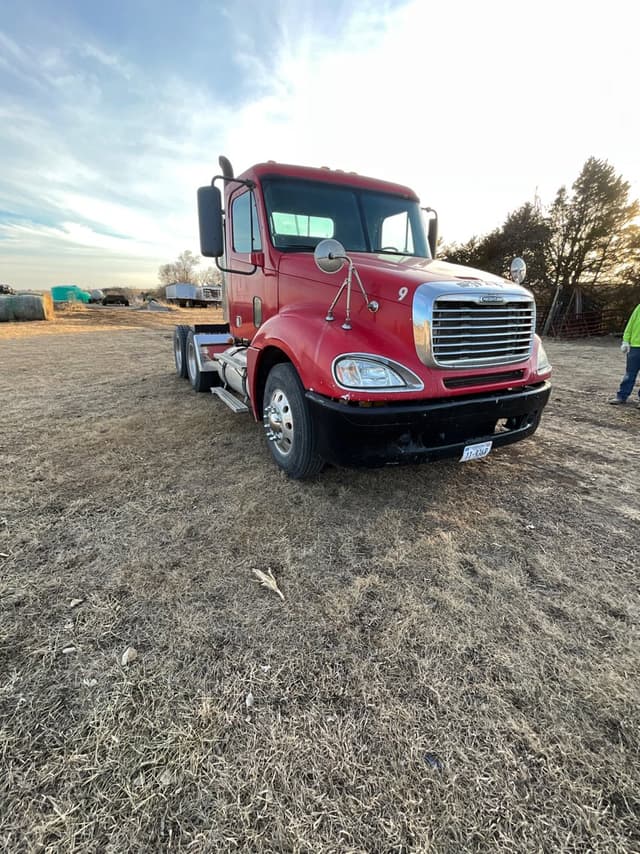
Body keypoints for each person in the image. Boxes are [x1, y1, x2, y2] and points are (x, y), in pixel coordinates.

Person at [609, 303, 640, 406]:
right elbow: (630, 325)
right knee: (629, 374)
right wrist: (625, 341)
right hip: (635, 347)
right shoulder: (639, 308)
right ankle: (621, 396)